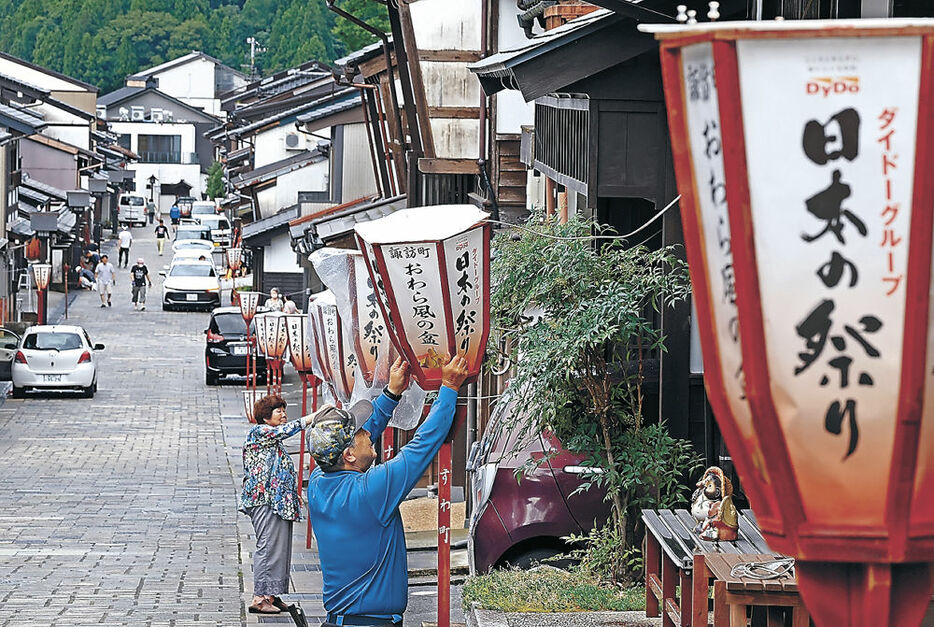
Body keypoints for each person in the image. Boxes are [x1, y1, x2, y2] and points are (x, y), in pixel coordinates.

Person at [307, 354, 469, 627]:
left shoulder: (318, 481)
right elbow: (421, 446)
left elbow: (362, 434)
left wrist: (392, 393)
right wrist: (449, 387)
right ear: (348, 454)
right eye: (360, 433)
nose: (369, 434)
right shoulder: (371, 492)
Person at [239, 395, 315, 615]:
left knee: (280, 548)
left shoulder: (273, 442)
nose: (283, 414)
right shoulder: (260, 432)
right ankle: (259, 598)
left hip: (279, 502)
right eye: (278, 411)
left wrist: (293, 493)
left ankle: (272, 594)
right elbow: (285, 430)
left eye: (284, 410)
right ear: (265, 416)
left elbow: (280, 471)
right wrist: (312, 418)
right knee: (268, 546)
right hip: (264, 501)